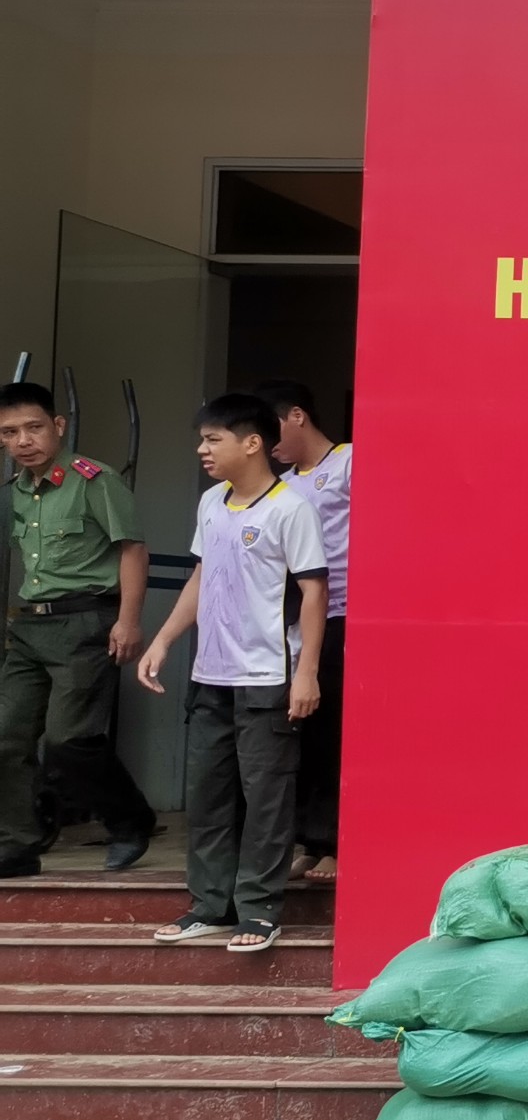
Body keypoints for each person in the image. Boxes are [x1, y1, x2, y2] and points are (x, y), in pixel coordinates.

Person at [136, 394, 327, 954]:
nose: (202, 449)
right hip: (211, 673)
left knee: (265, 795)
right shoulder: (211, 502)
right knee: (208, 793)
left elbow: (314, 592)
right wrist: (164, 640)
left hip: (268, 673)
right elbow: (202, 576)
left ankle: (260, 911)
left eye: (212, 439)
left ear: (252, 443)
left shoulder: (290, 508)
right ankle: (210, 906)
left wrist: (307, 673)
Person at [0, 382, 157, 877]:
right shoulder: (18, 491)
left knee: (69, 741)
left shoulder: (94, 480)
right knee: (6, 736)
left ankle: (130, 819)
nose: (23, 441)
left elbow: (133, 549)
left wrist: (128, 620)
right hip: (30, 626)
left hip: (85, 622)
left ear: (58, 426)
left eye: (33, 428)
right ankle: (18, 845)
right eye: (9, 433)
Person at [258, 381, 350, 880]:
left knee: (333, 729)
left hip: (346, 612)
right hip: (295, 619)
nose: (264, 444)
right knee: (302, 731)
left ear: (297, 416)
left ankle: (335, 841)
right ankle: (309, 840)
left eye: (268, 429)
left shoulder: (351, 462)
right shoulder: (283, 485)